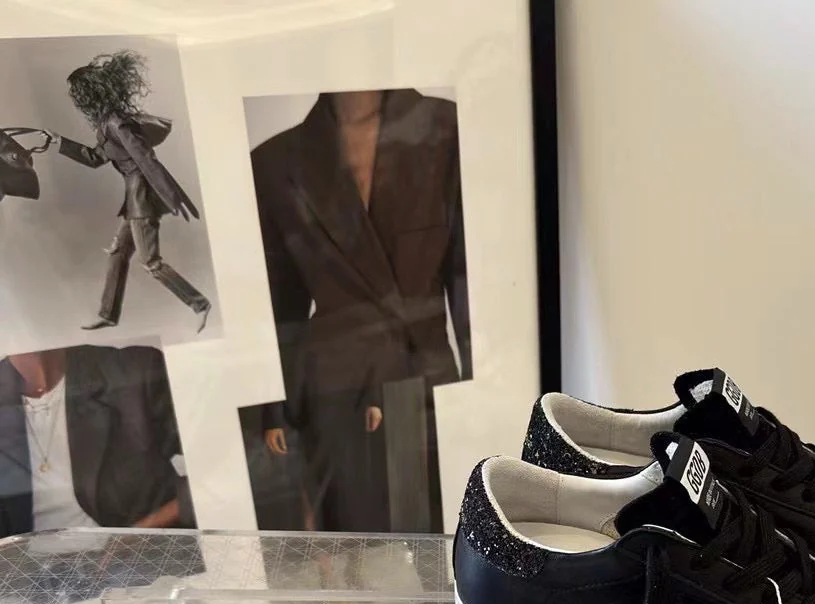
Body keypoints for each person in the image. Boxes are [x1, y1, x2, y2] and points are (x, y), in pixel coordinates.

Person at [251, 89, 471, 532]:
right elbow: (280, 306)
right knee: (357, 548)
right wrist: (275, 408)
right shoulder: (273, 162)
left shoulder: (449, 127)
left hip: (428, 376)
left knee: (442, 539)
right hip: (336, 388)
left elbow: (470, 278)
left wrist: (481, 390)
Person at [46, 50, 211, 333]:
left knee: (151, 263)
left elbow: (146, 158)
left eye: (77, 94)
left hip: (142, 198)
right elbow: (95, 158)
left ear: (88, 94)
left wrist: (172, 195)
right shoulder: (105, 125)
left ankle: (199, 304)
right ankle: (108, 314)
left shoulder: (116, 123)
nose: (76, 100)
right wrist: (59, 141)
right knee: (118, 253)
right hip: (133, 198)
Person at [0, 344, 193, 537]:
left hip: (139, 549)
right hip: (25, 554)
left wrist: (143, 531)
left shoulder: (134, 372)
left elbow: (209, 467)